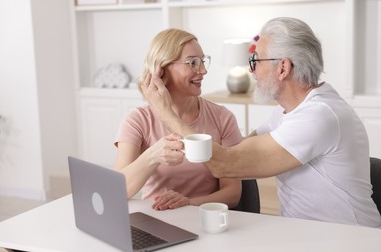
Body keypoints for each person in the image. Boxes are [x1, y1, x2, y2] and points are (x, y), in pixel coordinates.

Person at [141, 17, 381, 227]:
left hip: (348, 238)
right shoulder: (287, 112)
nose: (251, 70)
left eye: (256, 60)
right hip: (302, 232)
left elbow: (228, 163)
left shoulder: (320, 116)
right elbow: (235, 149)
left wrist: (167, 116)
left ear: (283, 68)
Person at [114, 28, 243, 211]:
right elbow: (117, 189)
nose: (203, 70)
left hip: (204, 218)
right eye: (192, 63)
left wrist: (190, 203)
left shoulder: (222, 118)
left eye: (203, 61)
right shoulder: (138, 120)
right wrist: (152, 156)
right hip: (156, 219)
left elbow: (232, 194)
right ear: (162, 68)